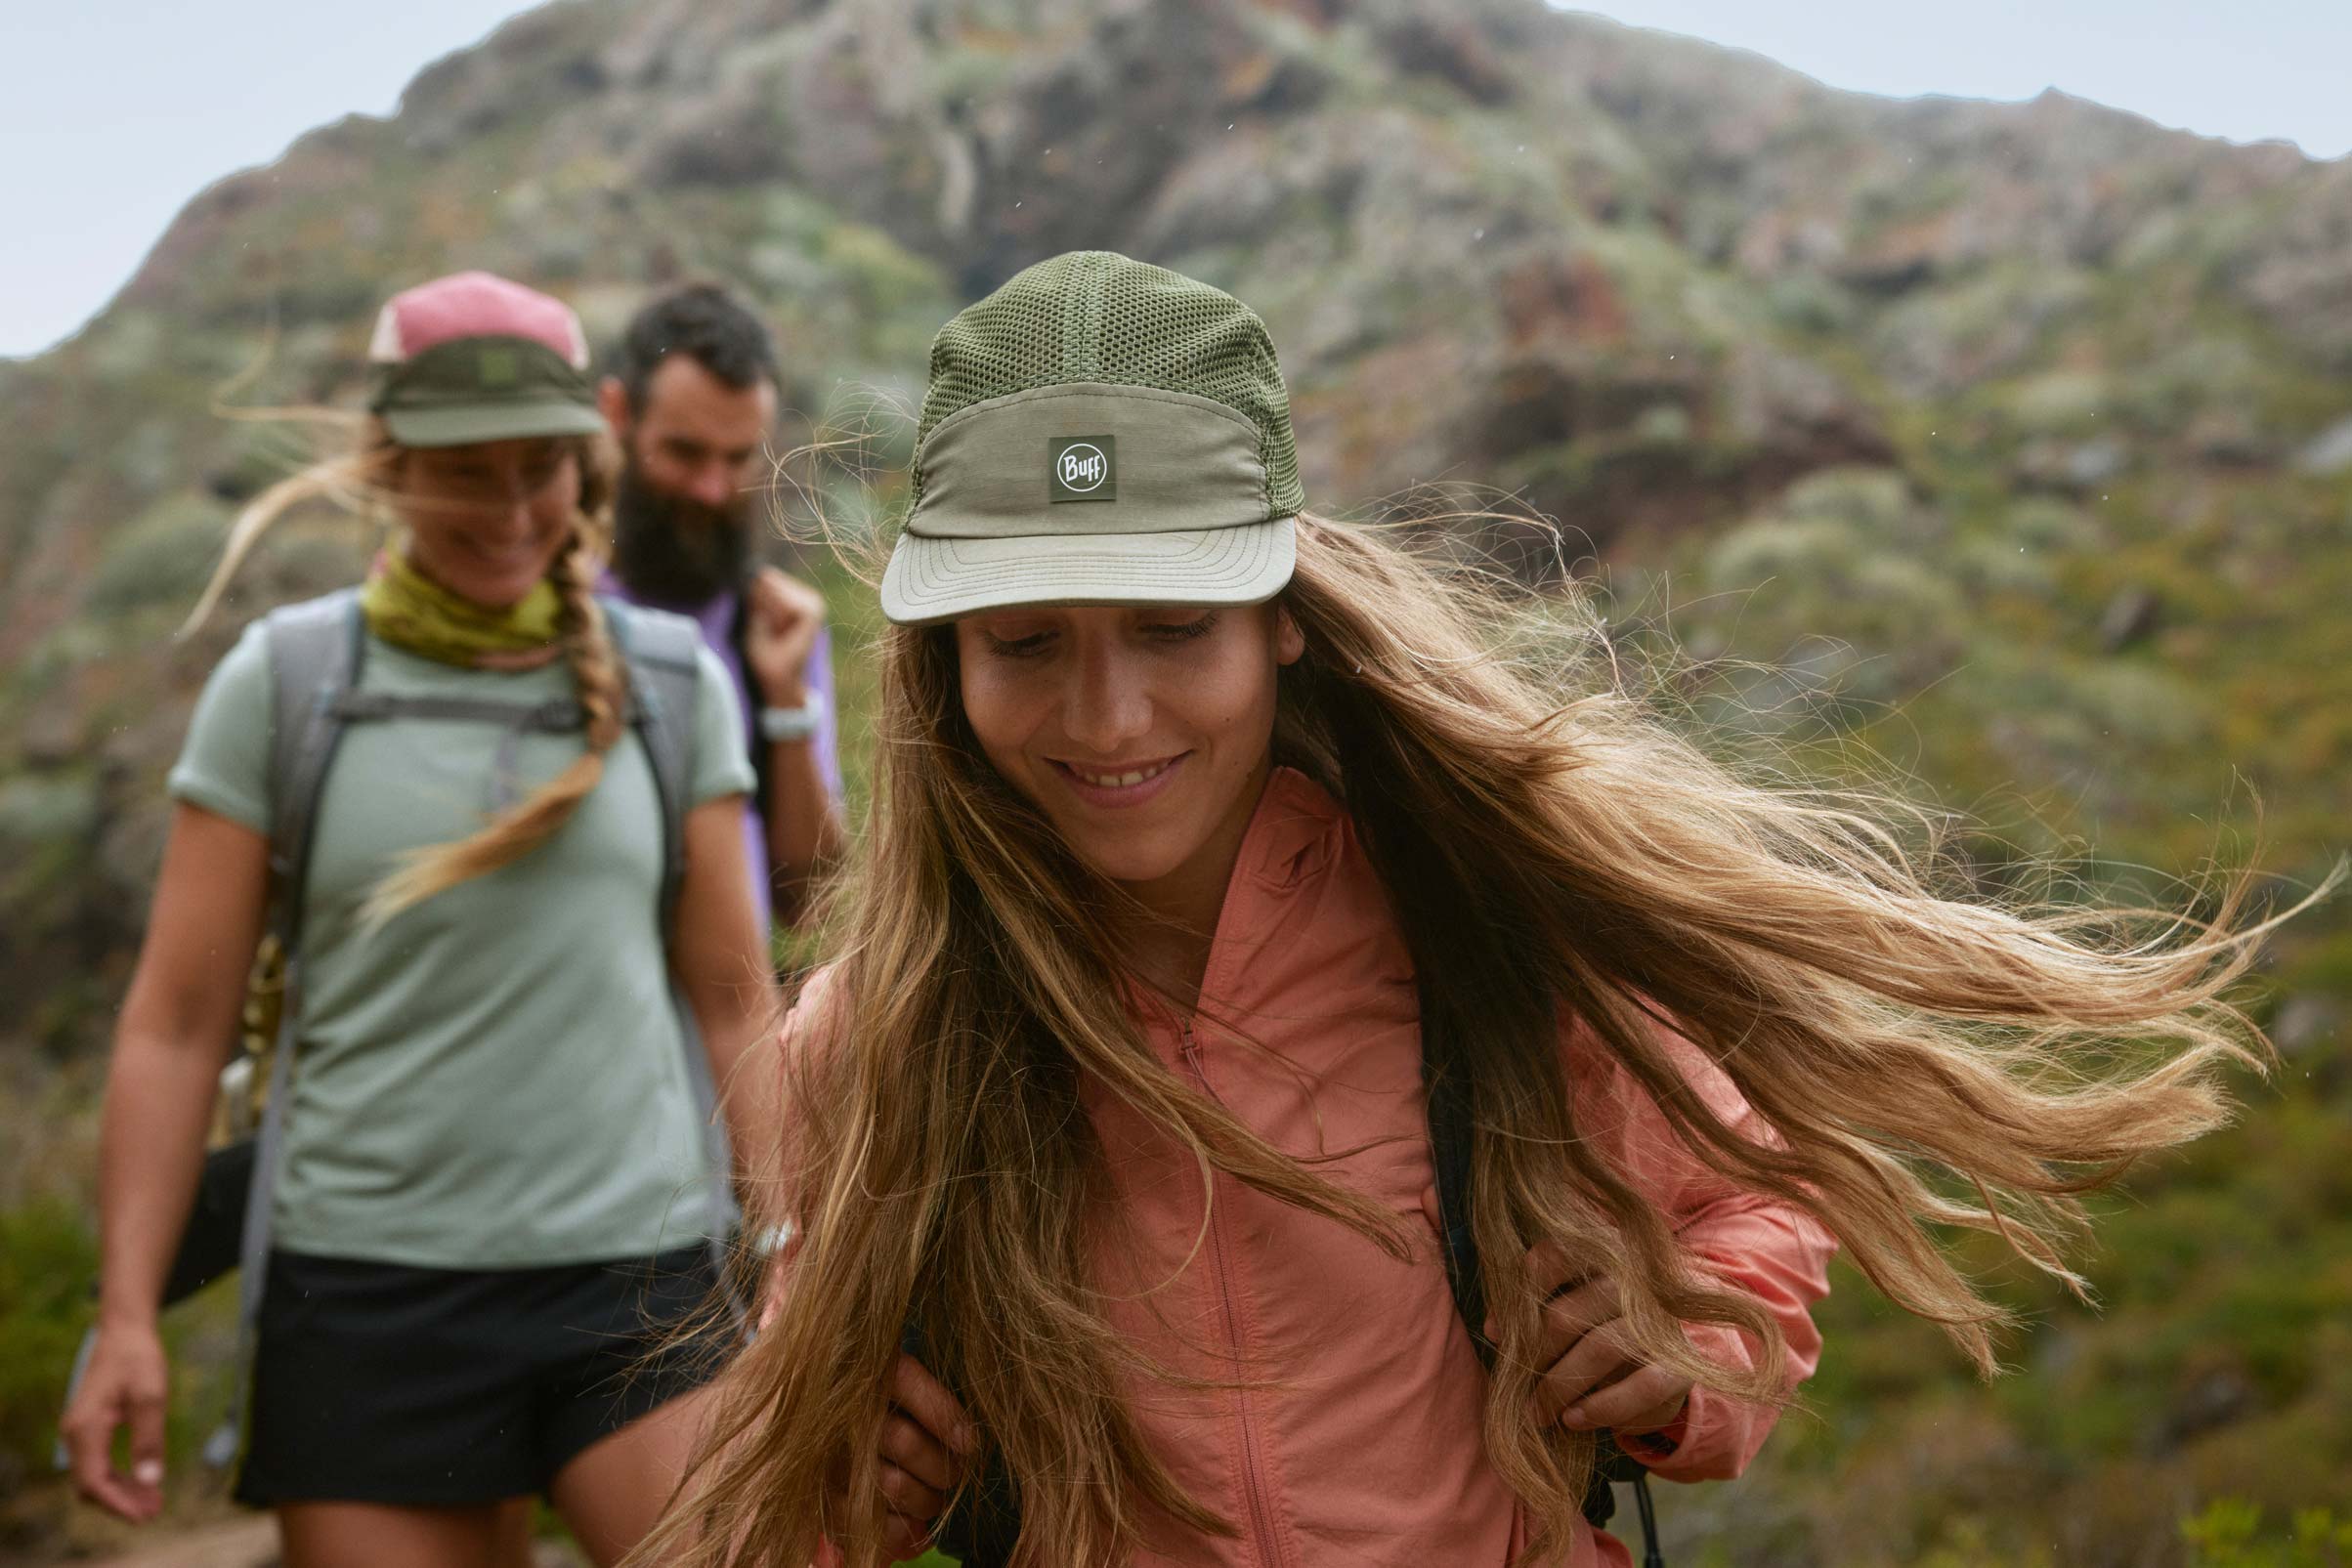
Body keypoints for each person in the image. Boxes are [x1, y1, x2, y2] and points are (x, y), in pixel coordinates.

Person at [651, 252, 2280, 1568]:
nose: (1108, 714)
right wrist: (847, 1488)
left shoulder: (1483, 941)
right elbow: (803, 1448)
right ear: (942, 665)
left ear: (1281, 620)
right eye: (1024, 643)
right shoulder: (879, 1037)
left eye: (1170, 626)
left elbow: (1743, 1222)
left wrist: (1681, 1359)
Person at [60, 271, 778, 1568]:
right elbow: (174, 1024)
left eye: (539, 469)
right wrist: (125, 1318)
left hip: (643, 1286)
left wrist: (793, 1256)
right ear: (386, 466)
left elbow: (735, 1002)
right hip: (370, 1301)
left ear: (586, 462)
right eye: (462, 472)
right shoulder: (287, 686)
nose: (509, 510)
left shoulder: (676, 688)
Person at [597, 281, 847, 930]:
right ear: (617, 413)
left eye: (738, 458)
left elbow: (812, 900)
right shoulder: (551, 599)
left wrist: (786, 700)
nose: (711, 489)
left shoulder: (773, 625)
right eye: (684, 452)